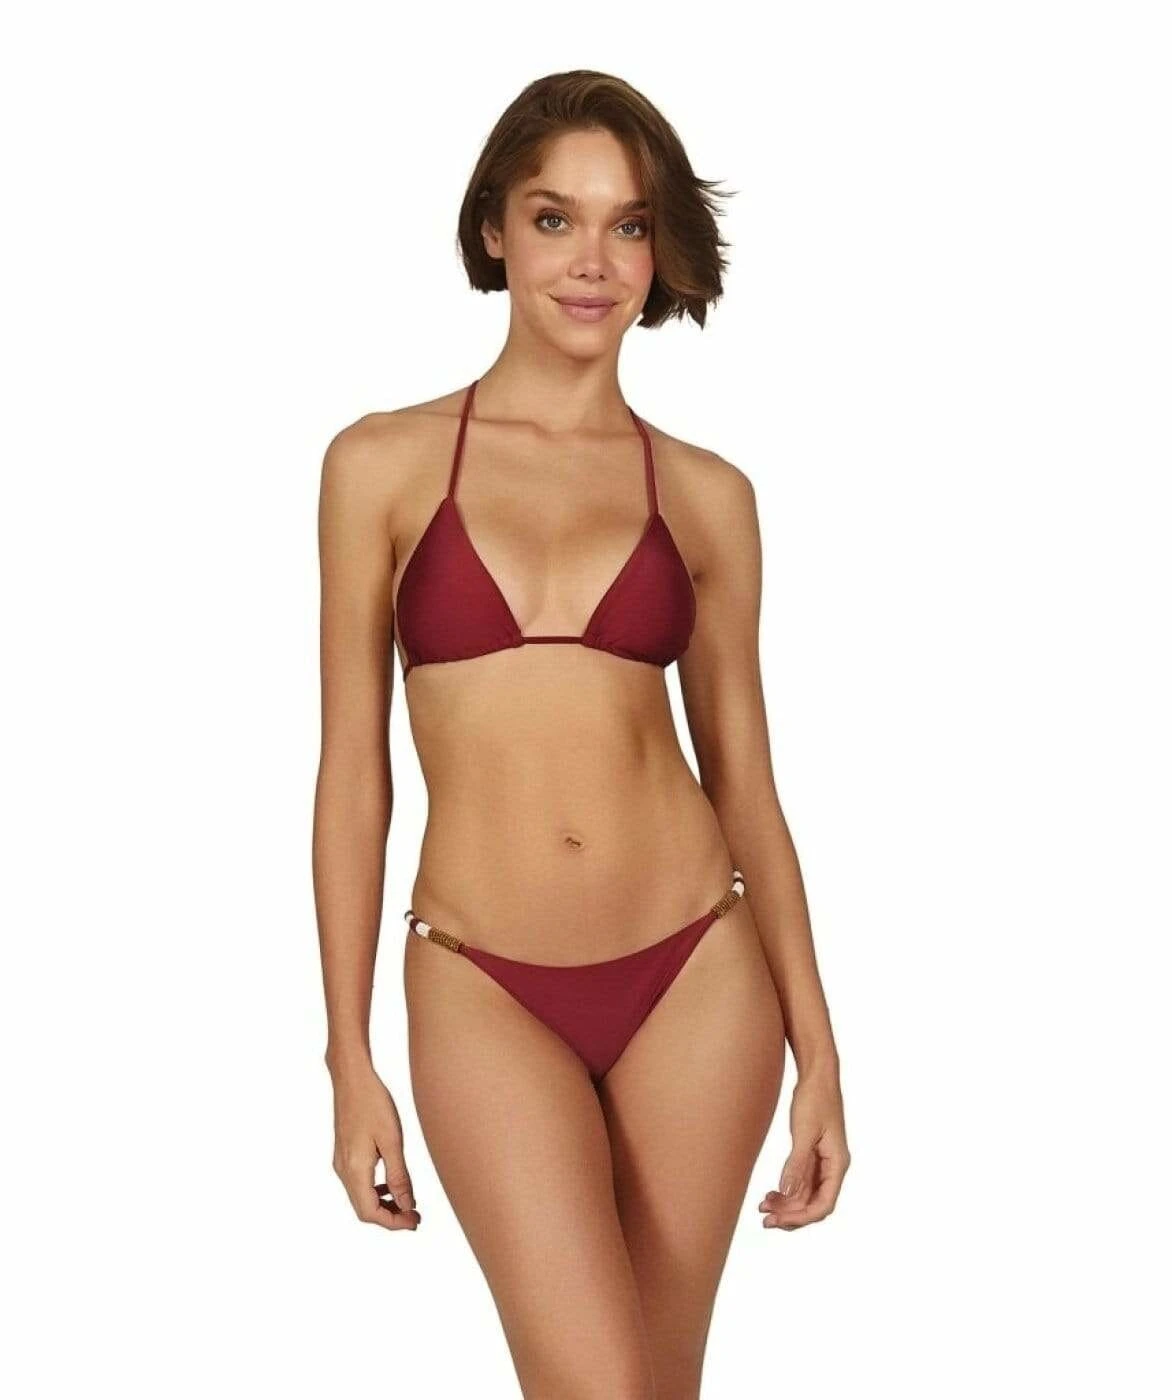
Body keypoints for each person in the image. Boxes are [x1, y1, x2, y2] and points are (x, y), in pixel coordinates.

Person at [313, 69, 850, 1399]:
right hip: (480, 978)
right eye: (555, 219)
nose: (592, 261)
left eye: (629, 224)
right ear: (493, 228)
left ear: (660, 250)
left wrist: (822, 1053)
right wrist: (348, 1056)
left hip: (697, 971)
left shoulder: (708, 495)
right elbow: (353, 776)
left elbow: (748, 786)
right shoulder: (380, 465)